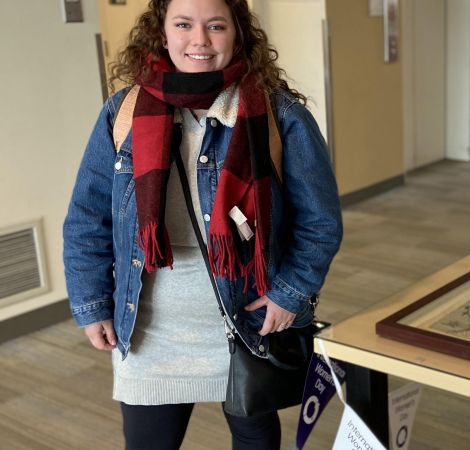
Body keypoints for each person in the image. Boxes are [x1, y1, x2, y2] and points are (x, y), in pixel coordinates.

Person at [63, 0, 342, 448]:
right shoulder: (124, 113)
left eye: (216, 25)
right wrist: (91, 300)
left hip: (246, 321)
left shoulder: (278, 115)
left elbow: (320, 221)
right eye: (184, 24)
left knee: (254, 437)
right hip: (150, 330)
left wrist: (290, 293)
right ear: (163, 31)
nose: (200, 40)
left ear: (237, 33)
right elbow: (86, 218)